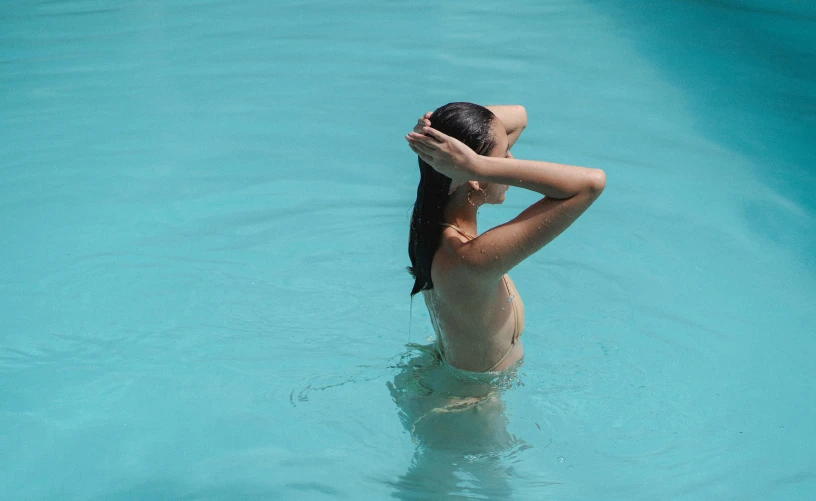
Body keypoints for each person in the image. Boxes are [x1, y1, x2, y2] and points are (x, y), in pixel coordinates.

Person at [405, 102, 606, 373]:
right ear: (473, 177)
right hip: (473, 408)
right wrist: (479, 165)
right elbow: (591, 184)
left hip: (447, 382)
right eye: (504, 156)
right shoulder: (471, 259)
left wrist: (434, 132)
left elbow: (519, 116)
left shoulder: (429, 224)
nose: (512, 163)